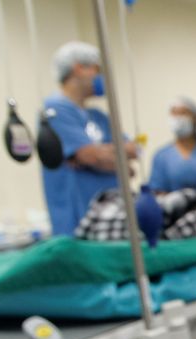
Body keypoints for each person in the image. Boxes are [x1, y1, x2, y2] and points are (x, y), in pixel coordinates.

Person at [42, 41, 139, 236]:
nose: (102, 77)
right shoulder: (55, 109)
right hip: (79, 219)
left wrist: (97, 156)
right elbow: (92, 157)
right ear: (79, 68)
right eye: (98, 69)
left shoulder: (97, 116)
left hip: (112, 216)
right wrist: (115, 161)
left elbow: (134, 150)